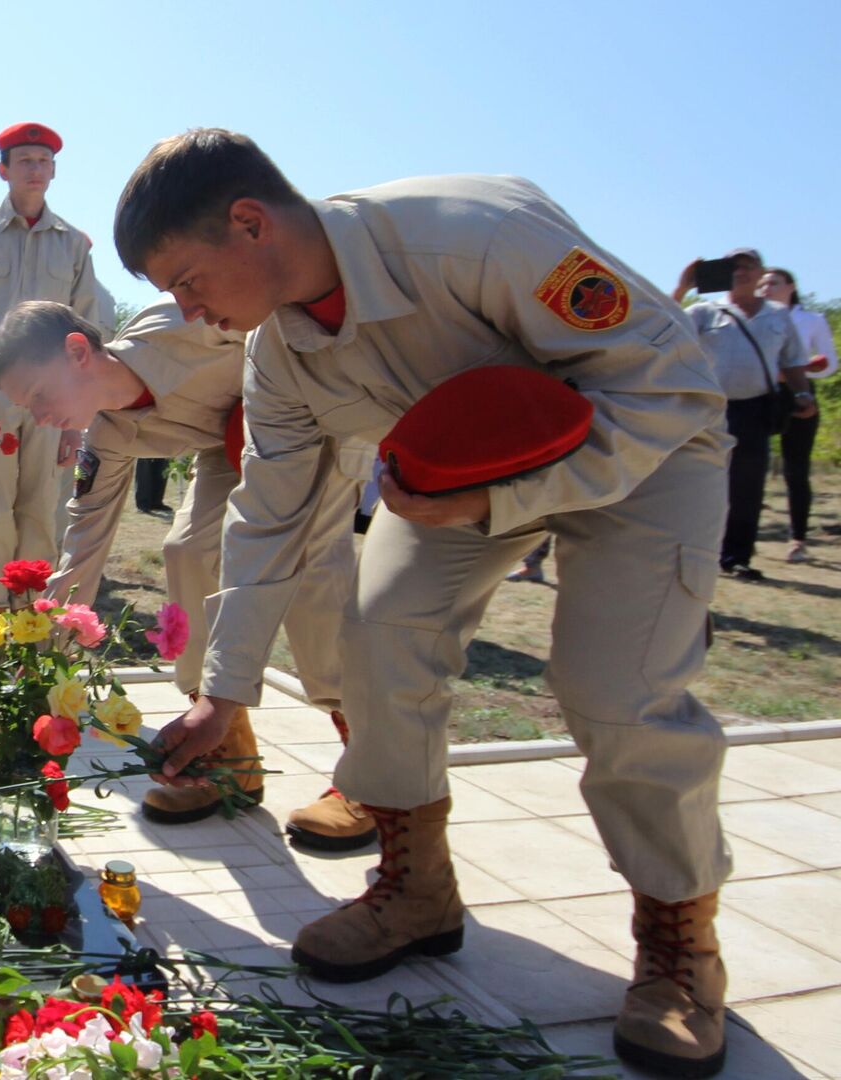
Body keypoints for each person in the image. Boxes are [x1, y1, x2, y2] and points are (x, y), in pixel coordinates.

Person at [125, 130, 735, 1077]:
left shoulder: (474, 234)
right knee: (378, 632)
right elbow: (266, 523)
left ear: (250, 223)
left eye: (187, 278)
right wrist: (223, 691)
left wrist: (499, 499)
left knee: (614, 690)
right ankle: (415, 890)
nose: (185, 309)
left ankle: (680, 945)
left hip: (638, 450)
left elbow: (669, 381)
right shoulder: (280, 356)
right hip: (458, 482)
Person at [0, 299, 371, 848]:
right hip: (235, 444)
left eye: (40, 396)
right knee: (187, 550)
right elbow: (79, 564)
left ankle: (371, 772)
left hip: (317, 424)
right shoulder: (109, 435)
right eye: (29, 408)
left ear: (77, 352)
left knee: (309, 581)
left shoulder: (185, 323)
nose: (41, 418)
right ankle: (227, 752)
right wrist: (27, 695)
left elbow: (291, 319)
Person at [0, 123, 98, 610]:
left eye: (43, 161)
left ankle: (30, 623)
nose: (35, 169)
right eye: (24, 160)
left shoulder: (73, 244)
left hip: (54, 397)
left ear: (54, 171)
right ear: (3, 170)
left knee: (42, 509)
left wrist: (79, 422)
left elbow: (88, 334)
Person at [672, 250, 814, 580]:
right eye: (733, 265)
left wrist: (803, 393)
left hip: (755, 408)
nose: (741, 271)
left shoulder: (779, 315)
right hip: (708, 409)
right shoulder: (705, 311)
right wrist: (682, 287)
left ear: (761, 273)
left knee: (747, 486)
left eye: (749, 265)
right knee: (696, 480)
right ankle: (689, 549)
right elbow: (663, 328)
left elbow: (793, 361)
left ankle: (736, 556)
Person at [758, 267, 831, 563]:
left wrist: (801, 371)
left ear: (791, 287)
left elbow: (829, 365)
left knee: (796, 470)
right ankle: (739, 540)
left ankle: (797, 540)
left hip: (799, 395)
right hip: (758, 394)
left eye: (773, 282)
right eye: (762, 283)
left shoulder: (812, 320)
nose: (766, 287)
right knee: (745, 466)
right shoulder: (750, 317)